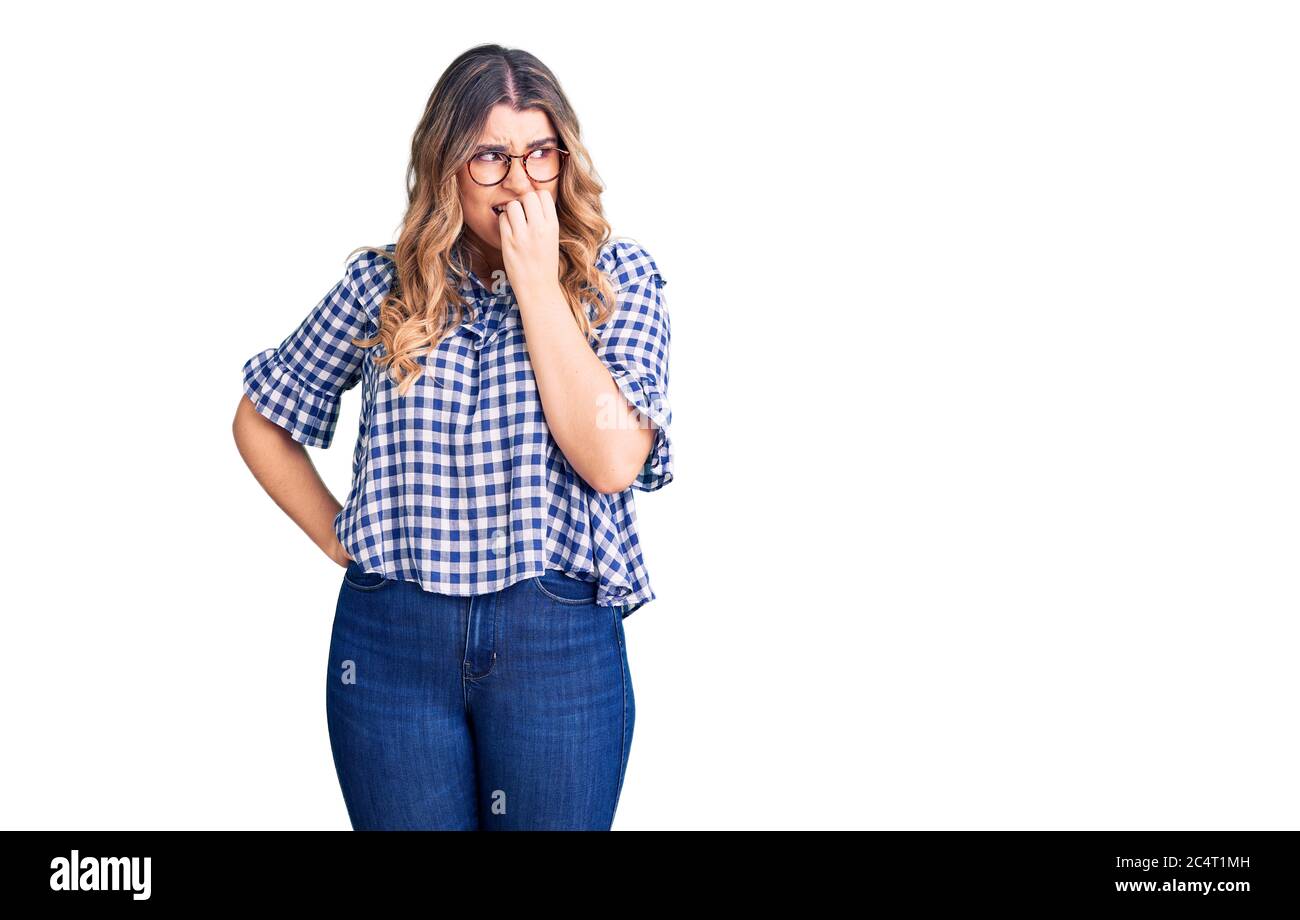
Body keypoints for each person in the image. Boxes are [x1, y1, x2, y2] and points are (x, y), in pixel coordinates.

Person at [231, 44, 674, 830]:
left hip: (556, 642)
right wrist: (339, 538)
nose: (522, 181)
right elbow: (261, 417)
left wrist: (537, 283)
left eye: (540, 152)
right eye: (491, 158)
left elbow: (612, 462)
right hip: (392, 644)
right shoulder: (382, 287)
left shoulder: (619, 281)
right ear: (446, 166)